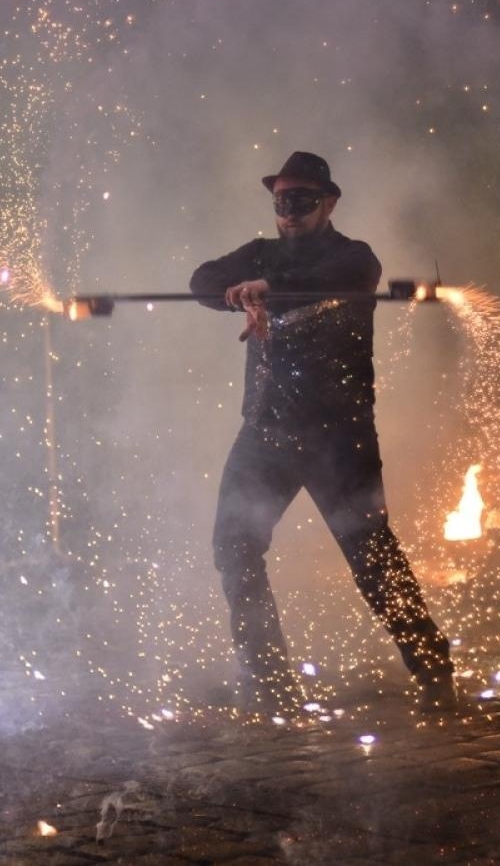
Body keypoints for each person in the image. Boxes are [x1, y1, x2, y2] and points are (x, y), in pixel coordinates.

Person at [191, 151, 455, 715]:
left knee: (371, 557)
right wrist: (236, 292)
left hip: (339, 436)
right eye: (282, 200)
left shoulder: (353, 259)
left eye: (303, 200)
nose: (290, 210)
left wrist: (269, 286)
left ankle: (433, 665)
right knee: (234, 546)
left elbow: (327, 280)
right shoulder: (256, 254)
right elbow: (203, 280)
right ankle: (271, 683)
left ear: (329, 203)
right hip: (266, 431)